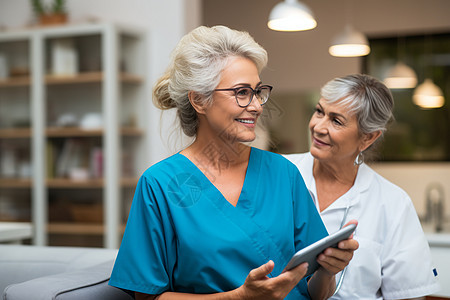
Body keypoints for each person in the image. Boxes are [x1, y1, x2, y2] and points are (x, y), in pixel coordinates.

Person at [109, 25, 358, 300]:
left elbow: (317, 293)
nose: (256, 105)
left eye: (258, 91)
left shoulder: (283, 174)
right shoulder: (160, 184)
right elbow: (148, 298)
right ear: (199, 100)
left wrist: (328, 271)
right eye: (241, 92)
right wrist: (239, 297)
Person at [284, 74, 441, 299]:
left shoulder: (393, 202)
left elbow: (408, 294)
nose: (318, 127)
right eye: (319, 111)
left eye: (336, 121)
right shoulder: (282, 172)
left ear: (368, 137)